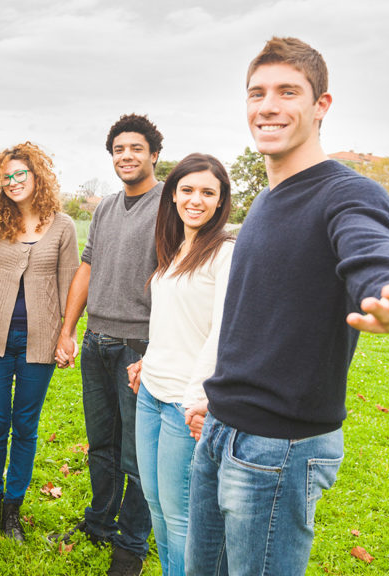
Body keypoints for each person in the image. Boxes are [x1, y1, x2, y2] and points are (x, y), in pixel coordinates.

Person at [184, 37, 389, 576]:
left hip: (277, 451)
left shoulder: (349, 194)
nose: (268, 105)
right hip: (222, 429)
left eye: (287, 92)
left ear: (321, 105)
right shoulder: (270, 200)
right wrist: (220, 397)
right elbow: (257, 319)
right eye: (257, 92)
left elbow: (373, 254)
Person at [54, 114, 163, 576]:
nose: (127, 156)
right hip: (98, 342)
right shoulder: (104, 208)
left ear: (154, 155)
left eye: (136, 148)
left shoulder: (170, 205)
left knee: (137, 454)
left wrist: (159, 348)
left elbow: (178, 278)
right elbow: (87, 267)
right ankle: (99, 522)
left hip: (140, 344)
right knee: (101, 443)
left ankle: (132, 544)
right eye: (119, 150)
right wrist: (68, 328)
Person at [0, 142, 79, 542]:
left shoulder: (63, 226)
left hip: (39, 340)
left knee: (25, 424)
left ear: (36, 176)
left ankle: (13, 510)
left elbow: (69, 286)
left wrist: (67, 335)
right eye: (5, 177)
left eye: (19, 175)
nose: (12, 182)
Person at [125, 153, 234, 576]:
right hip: (150, 393)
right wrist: (147, 362)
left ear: (221, 201)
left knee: (183, 517)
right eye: (187, 190)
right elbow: (173, 322)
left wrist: (196, 399)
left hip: (184, 404)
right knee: (156, 508)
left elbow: (222, 332)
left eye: (208, 192)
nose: (196, 200)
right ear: (172, 195)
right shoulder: (175, 249)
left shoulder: (225, 252)